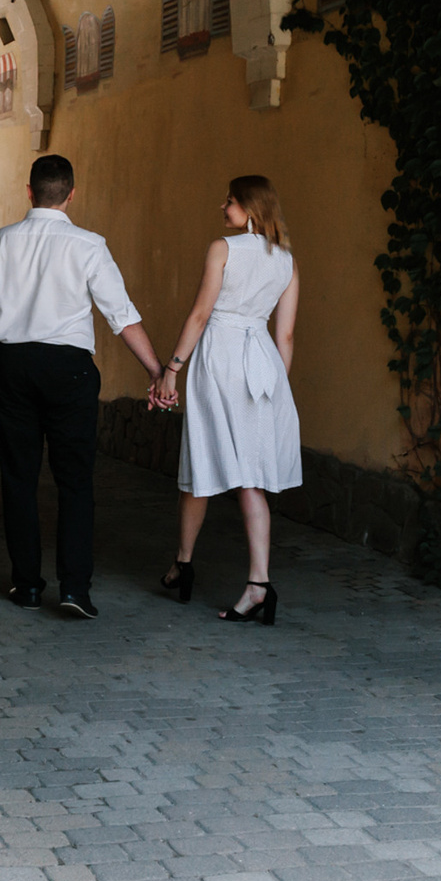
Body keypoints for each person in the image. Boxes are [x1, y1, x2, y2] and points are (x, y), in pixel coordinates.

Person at [0, 154, 165, 618]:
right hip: (70, 370)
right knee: (75, 481)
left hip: (12, 365)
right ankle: (75, 588)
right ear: (72, 194)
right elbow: (122, 316)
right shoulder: (89, 245)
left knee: (19, 478)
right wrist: (157, 371)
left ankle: (28, 586)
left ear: (29, 190)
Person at [149, 176, 302, 624]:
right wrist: (279, 386)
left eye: (230, 201)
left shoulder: (224, 248)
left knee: (202, 460)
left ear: (251, 209)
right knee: (251, 475)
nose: (223, 206)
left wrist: (171, 371)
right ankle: (258, 582)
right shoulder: (287, 261)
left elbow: (200, 314)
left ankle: (184, 563)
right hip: (264, 365)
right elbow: (286, 334)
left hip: (220, 358)